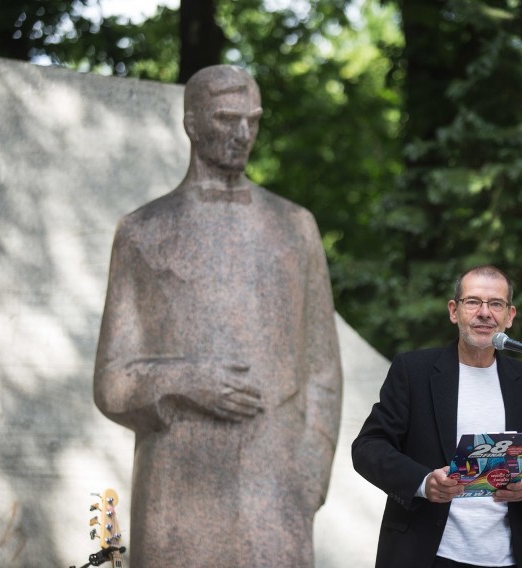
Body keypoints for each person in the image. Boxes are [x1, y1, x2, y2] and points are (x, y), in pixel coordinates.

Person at [93, 65, 342, 567]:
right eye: (227, 119)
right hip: (176, 490)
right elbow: (110, 382)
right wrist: (185, 379)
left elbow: (322, 367)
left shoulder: (294, 227)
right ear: (192, 123)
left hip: (276, 490)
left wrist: (309, 476)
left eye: (252, 119)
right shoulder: (144, 231)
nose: (243, 133)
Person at [352, 265, 522, 568]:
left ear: (509, 316)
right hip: (427, 555)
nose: (484, 313)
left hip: (508, 558)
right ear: (453, 311)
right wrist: (423, 482)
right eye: (473, 301)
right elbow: (368, 447)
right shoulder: (414, 371)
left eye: (495, 304)